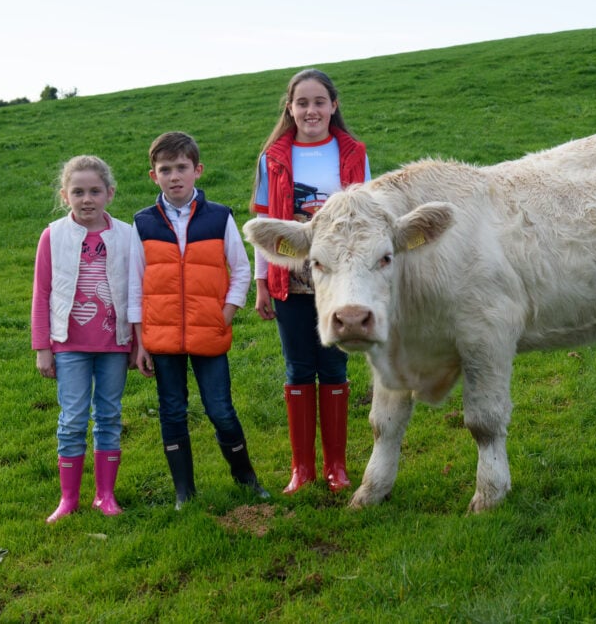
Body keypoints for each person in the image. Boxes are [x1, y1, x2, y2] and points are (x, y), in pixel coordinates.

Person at [129, 131, 269, 509]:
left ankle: (246, 479)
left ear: (198, 170)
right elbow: (133, 284)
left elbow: (241, 270)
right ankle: (183, 493)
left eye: (181, 168)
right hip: (161, 338)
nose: (174, 176)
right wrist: (139, 340)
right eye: (165, 170)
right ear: (153, 176)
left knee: (221, 409)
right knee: (172, 410)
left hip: (210, 332)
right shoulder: (141, 224)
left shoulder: (220, 217)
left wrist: (225, 313)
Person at [250, 69, 370, 494]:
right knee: (299, 366)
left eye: (319, 101)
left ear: (333, 105)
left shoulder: (353, 152)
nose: (311, 110)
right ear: (290, 108)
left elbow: (366, 217)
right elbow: (262, 221)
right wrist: (263, 281)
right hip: (291, 277)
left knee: (334, 364)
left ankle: (336, 467)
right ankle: (302, 469)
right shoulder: (274, 157)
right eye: (302, 103)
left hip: (340, 280)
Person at [31, 155, 133, 524]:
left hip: (114, 345)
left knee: (108, 416)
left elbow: (135, 290)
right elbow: (41, 293)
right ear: (65, 195)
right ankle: (68, 499)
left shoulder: (126, 234)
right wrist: (43, 347)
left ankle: (105, 495)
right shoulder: (53, 235)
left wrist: (137, 343)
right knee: (72, 419)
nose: (86, 199)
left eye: (94, 191)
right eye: (78, 192)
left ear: (109, 193)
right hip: (68, 345)